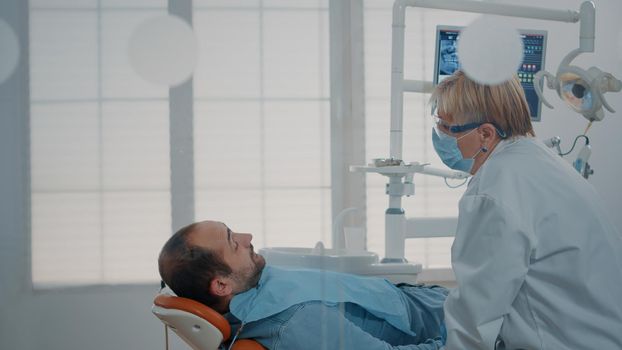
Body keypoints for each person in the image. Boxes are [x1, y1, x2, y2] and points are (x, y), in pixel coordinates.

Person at [429, 70, 622, 349]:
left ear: (485, 134)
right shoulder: (539, 159)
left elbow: (472, 323)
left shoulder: (495, 187)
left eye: (446, 128)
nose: (439, 136)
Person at [158, 220, 448, 350]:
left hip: (420, 300)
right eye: (234, 242)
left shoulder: (244, 289)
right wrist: (463, 340)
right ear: (221, 285)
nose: (247, 237)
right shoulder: (294, 322)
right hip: (438, 321)